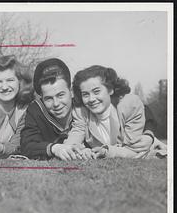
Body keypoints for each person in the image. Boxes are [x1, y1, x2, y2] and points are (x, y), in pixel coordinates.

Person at [20, 59, 156, 161]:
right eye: (48, 98)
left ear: (72, 91)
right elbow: (27, 144)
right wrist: (56, 148)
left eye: (61, 95)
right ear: (41, 98)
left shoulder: (83, 103)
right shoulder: (36, 110)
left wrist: (148, 132)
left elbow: (141, 109)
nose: (56, 104)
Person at [64, 65, 166, 159]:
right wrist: (74, 149)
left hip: (146, 148)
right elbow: (76, 134)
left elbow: (134, 150)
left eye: (96, 91)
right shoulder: (81, 111)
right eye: (85, 94)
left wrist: (107, 152)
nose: (91, 99)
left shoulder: (129, 105)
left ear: (110, 90)